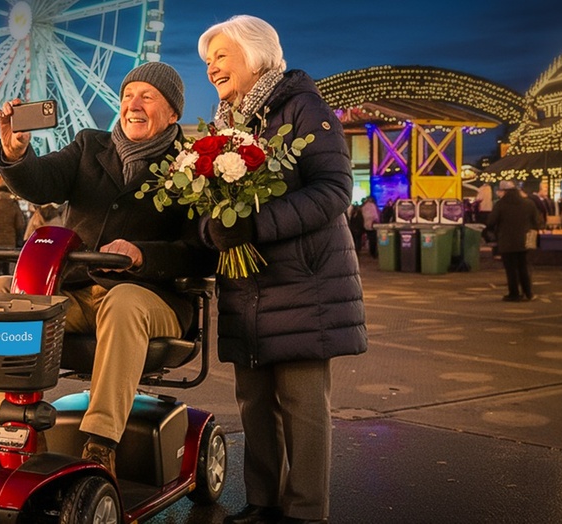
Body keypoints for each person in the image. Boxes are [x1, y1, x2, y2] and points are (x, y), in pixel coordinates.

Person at [0, 61, 216, 475]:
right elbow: (42, 181)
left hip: (153, 300)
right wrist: (16, 153)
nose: (133, 104)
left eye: (147, 96)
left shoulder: (191, 166)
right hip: (77, 292)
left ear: (173, 113)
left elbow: (201, 253)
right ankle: (16, 430)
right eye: (128, 95)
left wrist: (142, 255)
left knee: (123, 301)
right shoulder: (88, 146)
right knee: (1, 291)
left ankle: (100, 443)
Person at [198, 16, 367, 524]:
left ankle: (305, 511)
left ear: (255, 55)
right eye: (208, 60)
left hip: (302, 282)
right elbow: (210, 205)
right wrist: (215, 229)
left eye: (221, 56)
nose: (212, 68)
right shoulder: (225, 124)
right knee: (253, 400)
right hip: (245, 285)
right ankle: (263, 500)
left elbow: (334, 190)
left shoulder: (302, 107)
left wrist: (254, 224)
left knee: (302, 403)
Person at [487, 180, 543, 301]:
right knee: (523, 267)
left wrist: (495, 232)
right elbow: (536, 221)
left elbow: (491, 222)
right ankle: (528, 293)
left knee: (511, 269)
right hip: (524, 241)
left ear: (504, 191)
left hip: (506, 241)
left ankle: (514, 294)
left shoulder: (500, 205)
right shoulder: (528, 203)